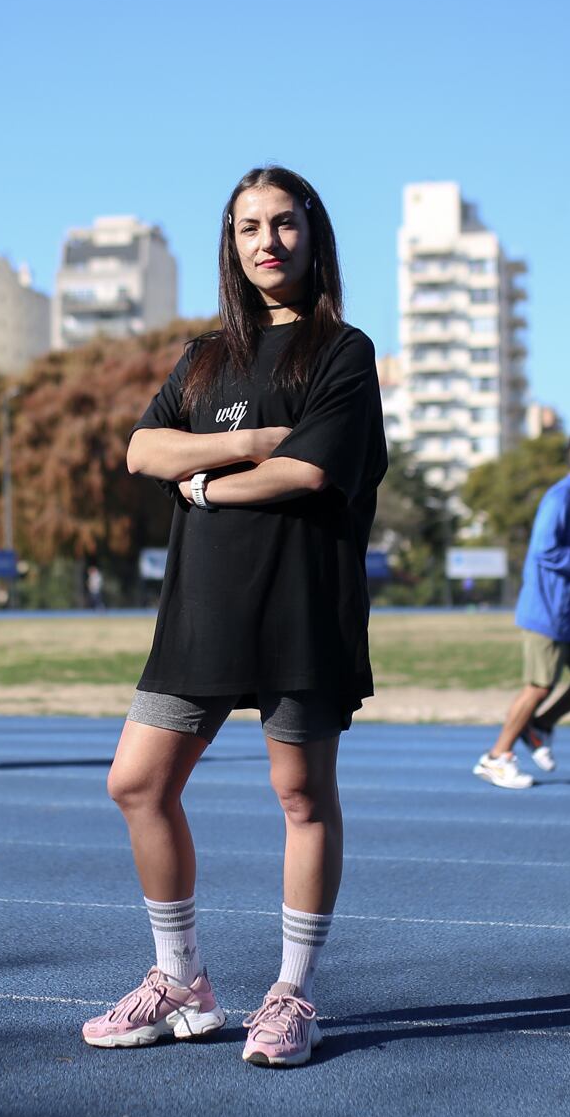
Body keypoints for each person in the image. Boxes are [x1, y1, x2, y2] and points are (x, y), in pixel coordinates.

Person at [79, 166, 386, 1068]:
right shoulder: (205, 356)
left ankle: (291, 994)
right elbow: (143, 448)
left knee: (301, 796)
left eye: (284, 225)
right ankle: (182, 982)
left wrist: (204, 482)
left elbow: (313, 472)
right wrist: (246, 443)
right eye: (250, 227)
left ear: (312, 235)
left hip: (301, 604)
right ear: (232, 242)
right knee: (137, 783)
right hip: (202, 607)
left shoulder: (343, 350)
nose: (267, 243)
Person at [472, 433, 570, 790]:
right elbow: (544, 553)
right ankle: (496, 757)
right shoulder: (560, 499)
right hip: (550, 611)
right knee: (538, 686)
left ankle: (541, 726)